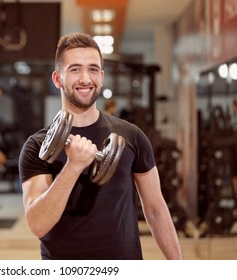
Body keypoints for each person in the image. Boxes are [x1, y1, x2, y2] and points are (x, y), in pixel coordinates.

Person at [18, 32, 183, 260]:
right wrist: (73, 167)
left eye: (93, 69)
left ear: (102, 77)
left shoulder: (132, 136)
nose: (86, 78)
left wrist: (180, 266)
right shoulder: (36, 146)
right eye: (75, 69)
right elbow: (37, 224)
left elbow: (156, 208)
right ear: (57, 79)